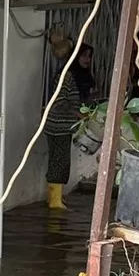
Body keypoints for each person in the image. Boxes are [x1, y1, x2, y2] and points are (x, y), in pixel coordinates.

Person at [44, 44, 94, 211]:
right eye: (84, 56)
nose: (88, 60)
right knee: (59, 162)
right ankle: (54, 202)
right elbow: (59, 102)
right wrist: (79, 115)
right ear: (75, 57)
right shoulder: (66, 76)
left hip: (66, 126)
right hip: (57, 125)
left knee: (62, 162)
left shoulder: (80, 76)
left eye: (89, 56)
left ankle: (56, 199)